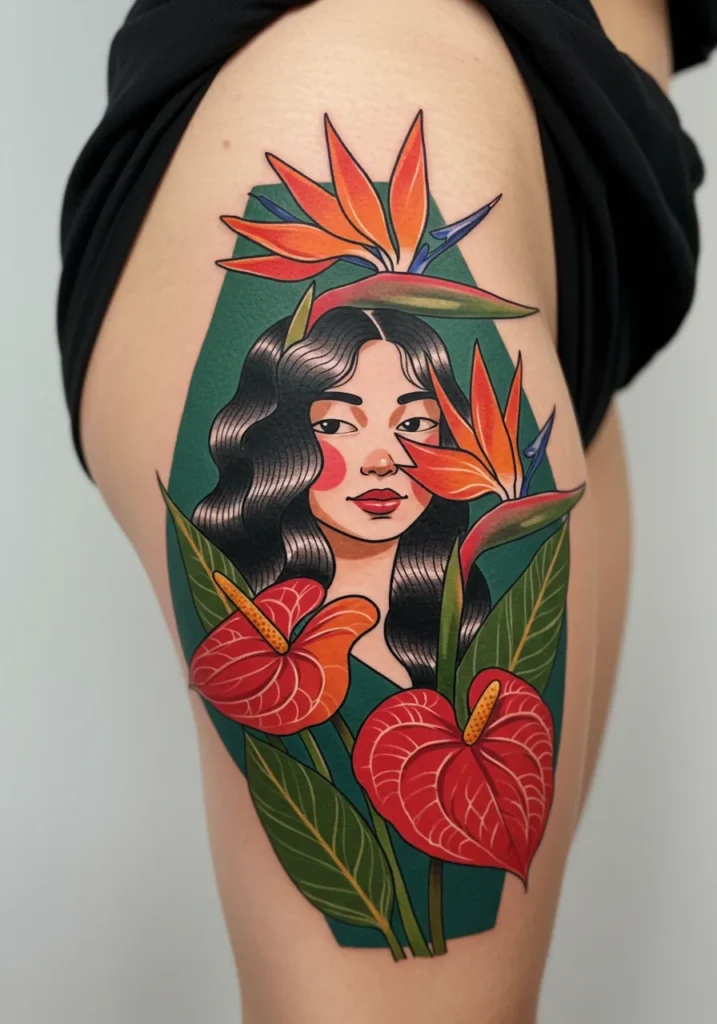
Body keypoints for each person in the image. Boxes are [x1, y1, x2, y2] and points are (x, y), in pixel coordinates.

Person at [57, 0, 716, 1020]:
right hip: (370, 73)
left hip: (590, 189)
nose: (382, 457)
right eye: (336, 422)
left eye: (413, 423)